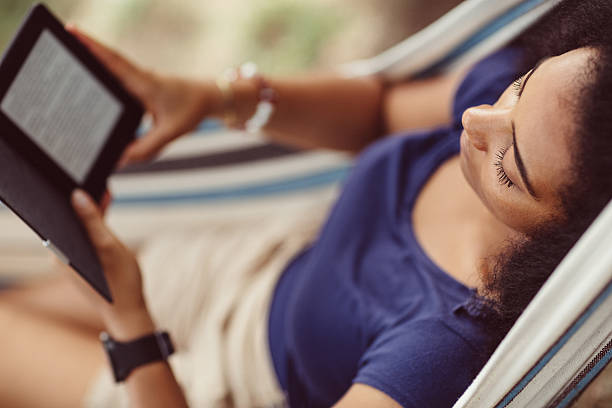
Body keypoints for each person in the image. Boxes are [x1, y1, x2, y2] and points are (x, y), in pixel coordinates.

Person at [0, 0, 611, 406]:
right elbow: (379, 111)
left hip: (220, 388)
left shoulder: (440, 357)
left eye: (510, 165)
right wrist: (211, 99)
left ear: (571, 245)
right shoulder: (539, 117)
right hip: (256, 264)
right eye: (517, 88)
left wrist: (129, 321)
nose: (477, 119)